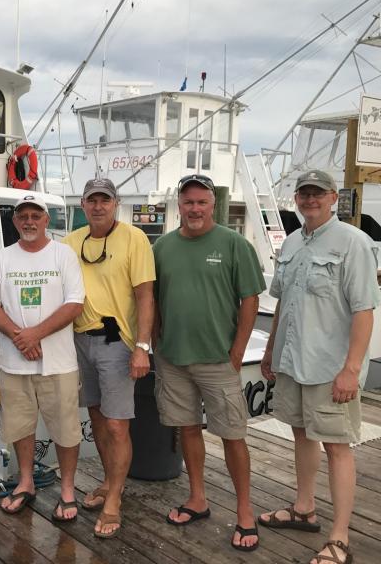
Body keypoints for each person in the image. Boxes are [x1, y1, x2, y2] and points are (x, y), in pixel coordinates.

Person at [258, 170, 379, 564]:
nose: (309, 199)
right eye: (303, 193)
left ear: (332, 198)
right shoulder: (292, 241)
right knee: (300, 434)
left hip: (330, 368)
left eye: (317, 193)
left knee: (338, 447)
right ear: (296, 198)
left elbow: (364, 310)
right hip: (292, 363)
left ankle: (340, 536)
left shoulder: (354, 242)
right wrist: (270, 351)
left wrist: (351, 369)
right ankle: (304, 508)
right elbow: (281, 303)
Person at [152, 173, 265, 551]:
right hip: (172, 358)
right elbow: (152, 299)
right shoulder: (162, 247)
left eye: (202, 202)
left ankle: (245, 510)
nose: (195, 209)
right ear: (179, 205)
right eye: (188, 202)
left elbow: (251, 301)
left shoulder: (235, 244)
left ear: (212, 204)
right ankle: (198, 498)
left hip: (219, 360)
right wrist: (155, 342)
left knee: (233, 435)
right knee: (186, 429)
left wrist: (237, 354)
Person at [0, 193, 85, 522]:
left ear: (46, 220)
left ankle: (67, 489)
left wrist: (35, 334)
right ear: (14, 221)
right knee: (20, 426)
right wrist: (18, 336)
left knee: (66, 429)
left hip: (59, 362)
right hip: (14, 362)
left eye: (35, 215)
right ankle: (25, 482)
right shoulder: (2, 259)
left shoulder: (63, 255)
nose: (29, 221)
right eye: (22, 215)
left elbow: (75, 303)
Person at [63, 178, 155, 539]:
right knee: (98, 418)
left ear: (116, 203)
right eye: (92, 201)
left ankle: (114, 497)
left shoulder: (135, 238)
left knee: (118, 425)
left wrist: (142, 348)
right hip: (79, 340)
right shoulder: (71, 242)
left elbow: (146, 297)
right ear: (83, 205)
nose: (98, 206)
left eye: (105, 200)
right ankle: (108, 481)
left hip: (118, 343)